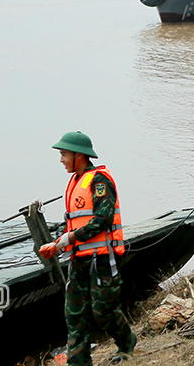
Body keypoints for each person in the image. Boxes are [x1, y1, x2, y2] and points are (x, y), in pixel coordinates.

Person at [38, 132, 137, 365]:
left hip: (103, 258)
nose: (61, 160)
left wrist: (66, 239)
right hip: (79, 259)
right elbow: (76, 222)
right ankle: (79, 362)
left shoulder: (99, 181)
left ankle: (126, 342)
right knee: (74, 314)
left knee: (103, 311)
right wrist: (57, 245)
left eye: (64, 154)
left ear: (79, 155)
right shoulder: (74, 182)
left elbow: (102, 219)